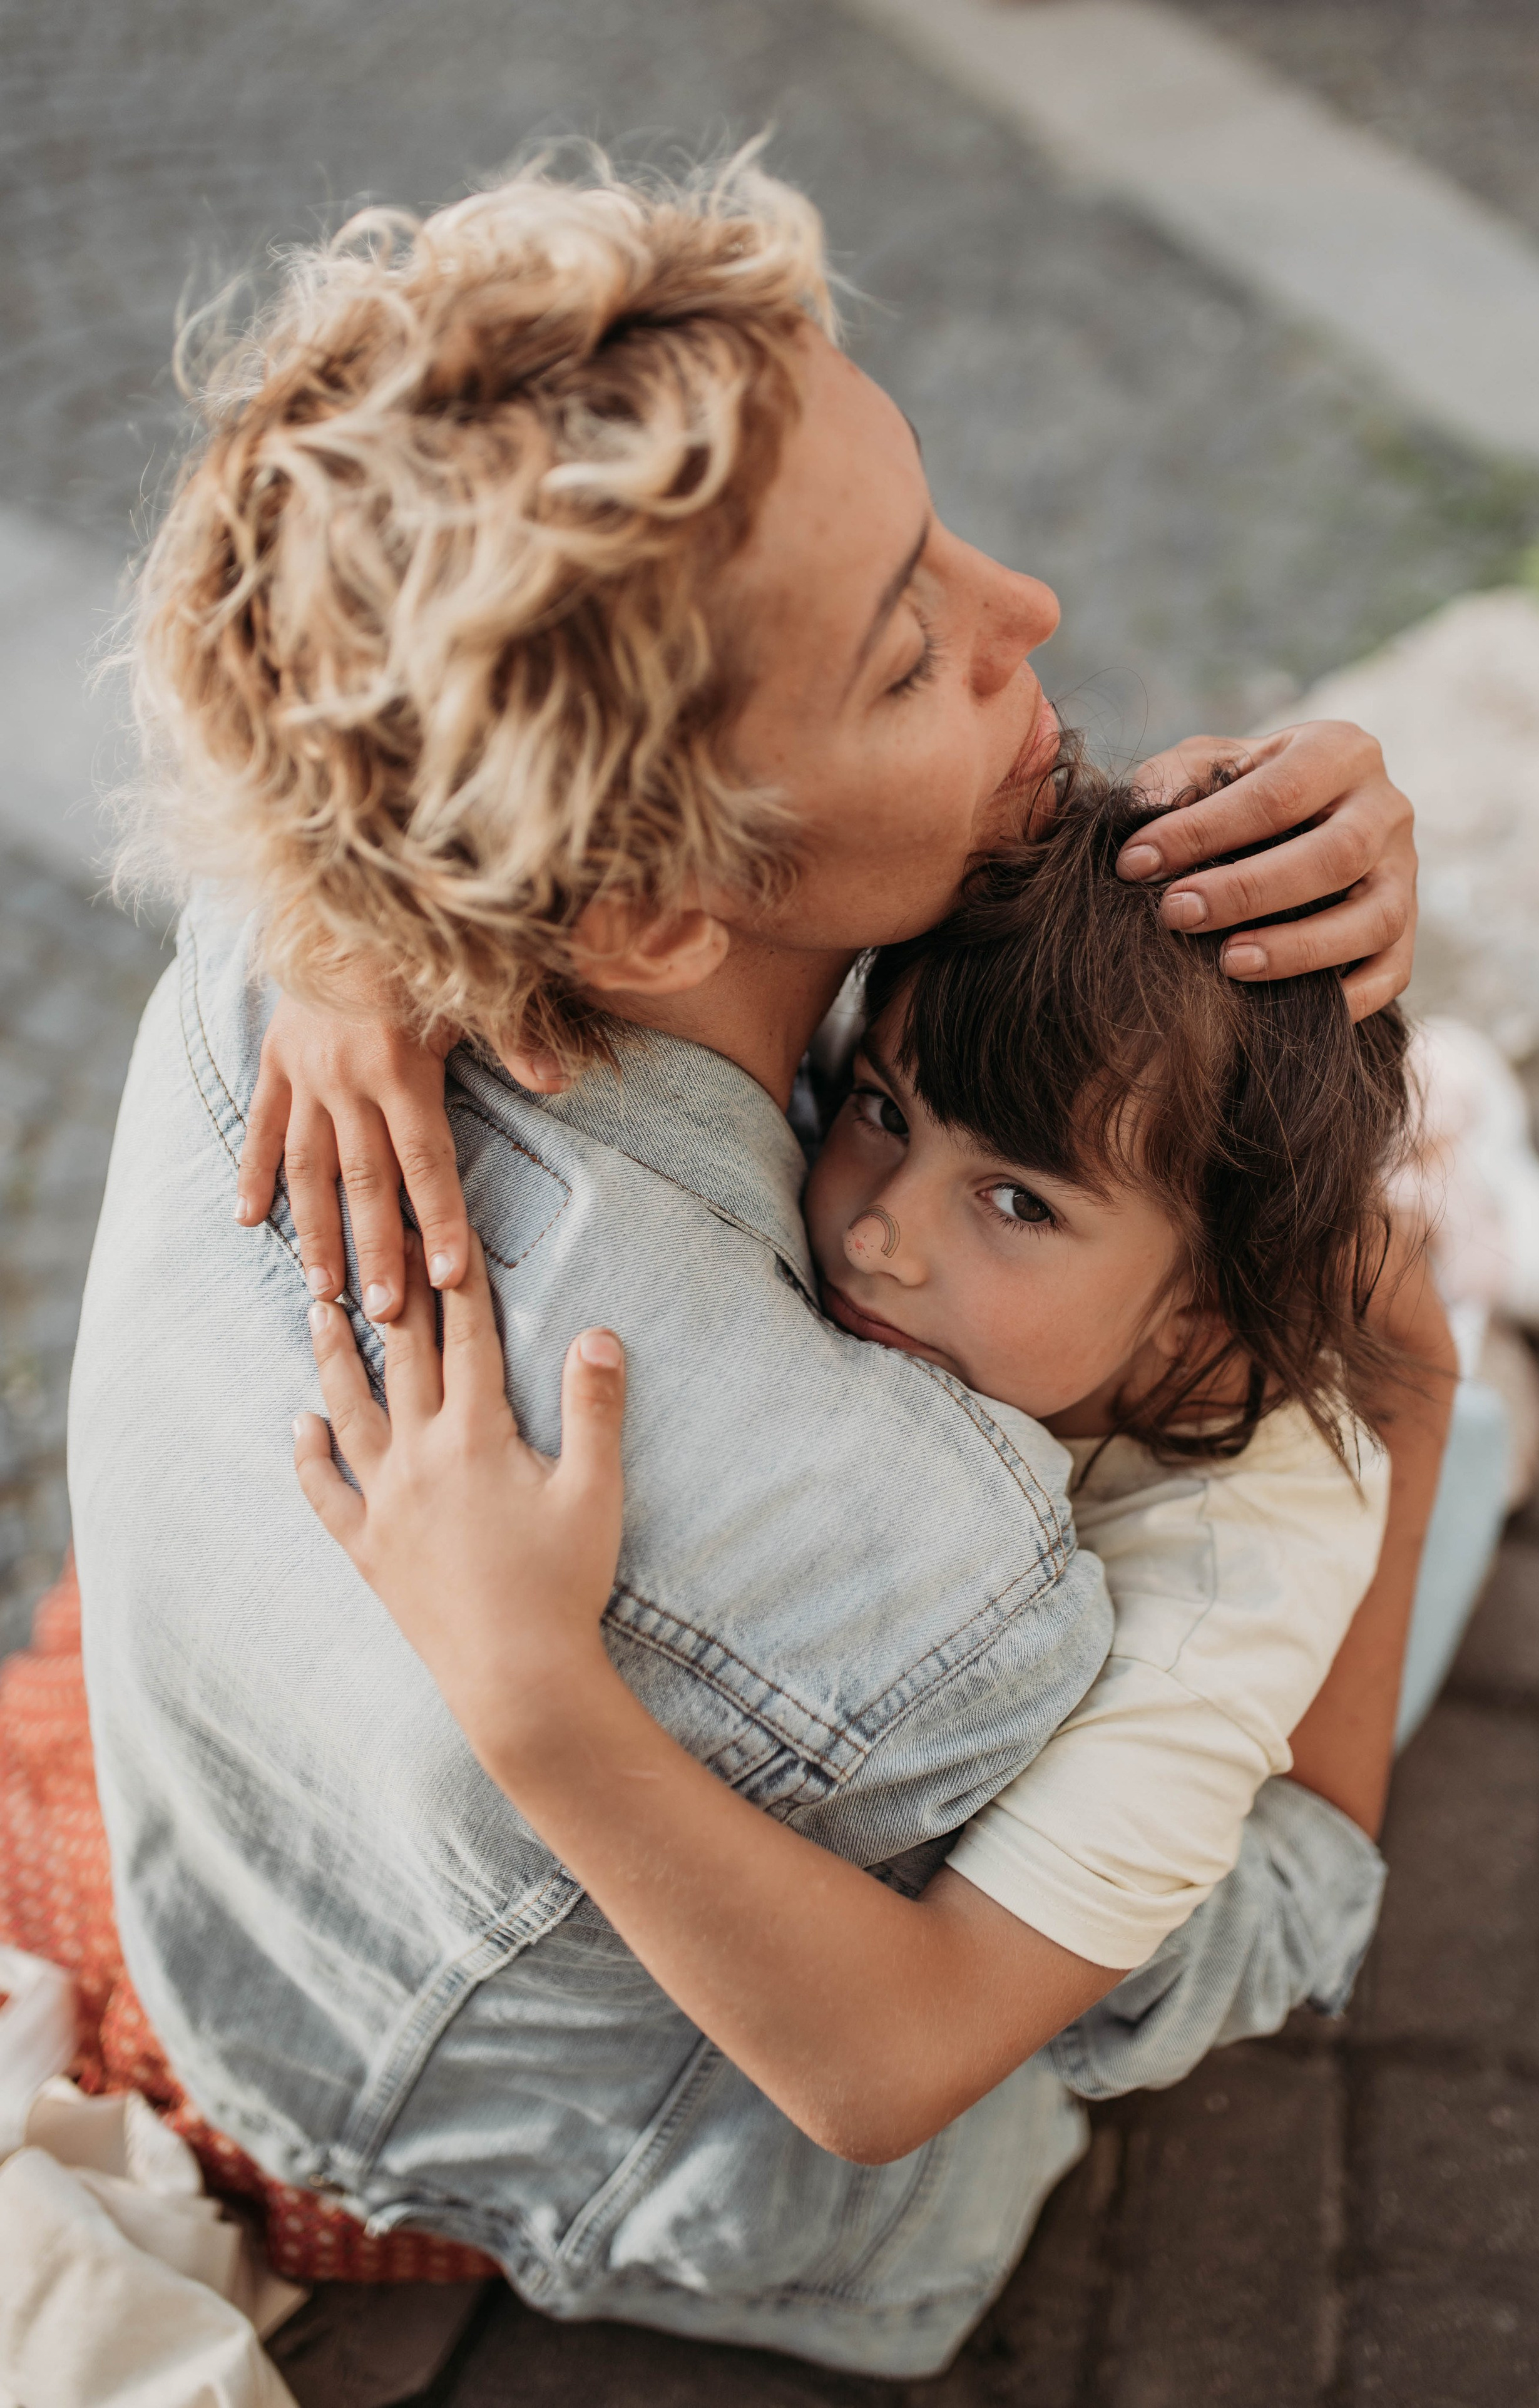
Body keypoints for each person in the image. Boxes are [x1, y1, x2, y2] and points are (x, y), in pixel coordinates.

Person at [69, 156, 1441, 2376]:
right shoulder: (939, 1575)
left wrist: (335, 946)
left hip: (239, 1906)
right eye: (915, 648)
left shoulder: (304, 910)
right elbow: (1220, 1942)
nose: (1042, 607)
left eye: (940, 538)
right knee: (1408, 1494)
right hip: (653, 2189)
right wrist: (1414, 1382)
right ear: (642, 919)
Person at [290, 755, 1436, 2169]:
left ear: (1193, 1313)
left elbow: (892, 2069)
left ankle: (1441, 1361)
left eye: (1013, 1201)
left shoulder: (1231, 1569)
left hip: (1264, 1871)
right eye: (883, 1109)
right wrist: (348, 963)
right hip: (1219, 1304)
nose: (882, 1230)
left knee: (1426, 1401)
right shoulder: (984, 1142)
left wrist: (529, 1689)